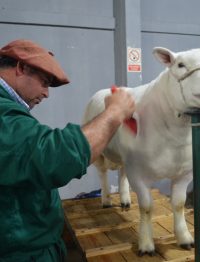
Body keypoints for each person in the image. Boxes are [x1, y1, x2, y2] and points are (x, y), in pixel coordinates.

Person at [0, 39, 135, 261]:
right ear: (21, 68)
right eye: (44, 83)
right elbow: (54, 157)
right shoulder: (4, 114)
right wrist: (115, 112)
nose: (46, 93)